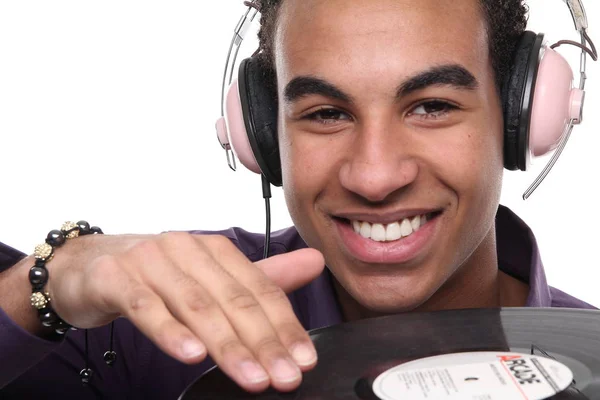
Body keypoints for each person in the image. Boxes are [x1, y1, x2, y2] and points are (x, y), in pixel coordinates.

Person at [0, 0, 596, 398]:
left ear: (523, 117)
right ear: (262, 134)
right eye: (326, 113)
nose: (375, 175)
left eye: (431, 106)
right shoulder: (147, 323)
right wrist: (46, 283)